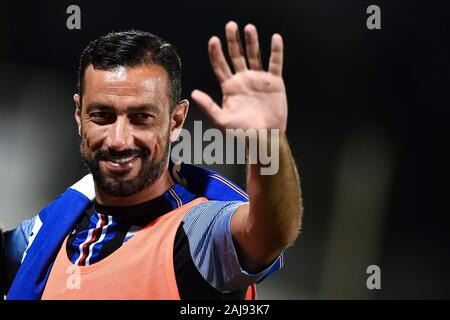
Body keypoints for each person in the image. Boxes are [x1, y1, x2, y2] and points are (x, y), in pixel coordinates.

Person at [0, 21, 303, 300]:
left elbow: (270, 232)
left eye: (141, 118)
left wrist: (268, 142)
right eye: (102, 116)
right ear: (80, 115)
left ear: (176, 121)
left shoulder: (195, 233)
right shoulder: (48, 231)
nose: (119, 139)